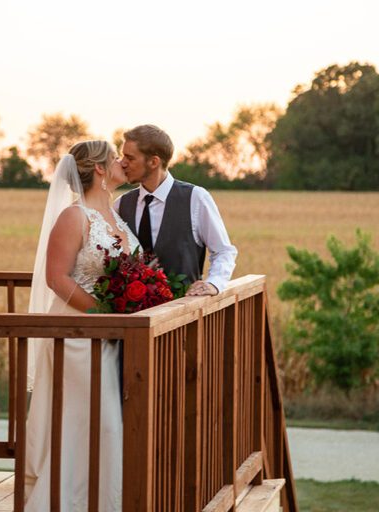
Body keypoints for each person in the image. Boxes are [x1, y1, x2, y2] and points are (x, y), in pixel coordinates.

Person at [24, 140, 137, 511]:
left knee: (105, 423)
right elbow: (56, 277)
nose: (122, 162)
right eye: (115, 158)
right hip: (77, 334)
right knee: (93, 421)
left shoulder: (116, 216)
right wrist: (100, 316)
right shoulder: (74, 217)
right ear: (100, 170)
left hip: (111, 333)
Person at [115, 124, 237, 296]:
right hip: (136, 319)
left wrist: (213, 284)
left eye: (130, 157)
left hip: (184, 315)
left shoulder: (196, 198)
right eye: (122, 156)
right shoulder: (121, 204)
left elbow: (224, 251)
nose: (122, 163)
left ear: (153, 162)